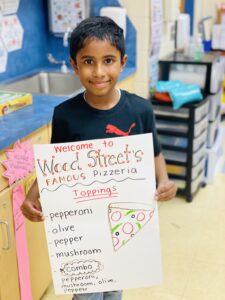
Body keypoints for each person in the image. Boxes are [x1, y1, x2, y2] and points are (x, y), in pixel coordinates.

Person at [21, 16, 177, 300]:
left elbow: (154, 152)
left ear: (122, 61)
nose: (99, 71)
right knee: (87, 295)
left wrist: (165, 180)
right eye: (88, 61)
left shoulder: (140, 110)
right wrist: (33, 196)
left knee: (115, 288)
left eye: (108, 60)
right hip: (84, 229)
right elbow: (54, 168)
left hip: (123, 223)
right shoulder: (65, 115)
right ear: (74, 65)